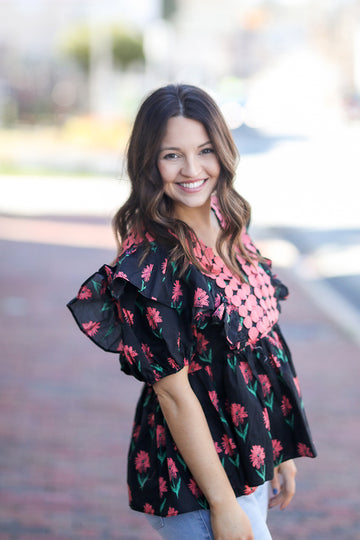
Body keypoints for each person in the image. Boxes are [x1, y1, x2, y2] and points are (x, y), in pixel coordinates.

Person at [67, 84, 316, 540]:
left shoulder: (228, 220)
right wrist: (222, 505)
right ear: (149, 164)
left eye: (204, 150)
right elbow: (174, 395)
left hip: (246, 459)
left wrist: (280, 449)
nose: (192, 169)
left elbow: (260, 351)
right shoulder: (151, 263)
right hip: (199, 481)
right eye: (171, 155)